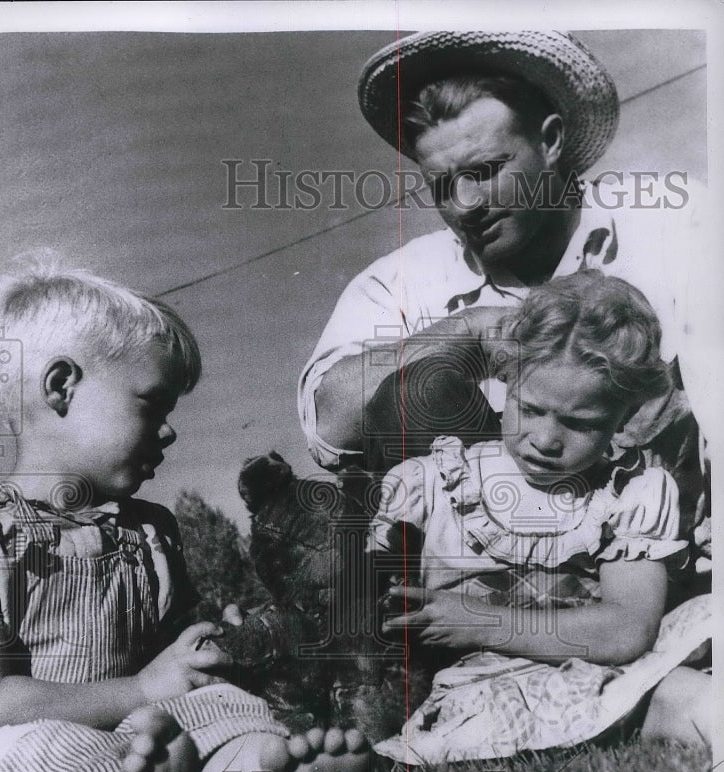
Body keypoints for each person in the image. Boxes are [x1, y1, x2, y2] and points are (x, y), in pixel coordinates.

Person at [0, 258, 367, 772]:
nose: (168, 429)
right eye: (152, 403)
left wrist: (207, 645)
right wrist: (139, 688)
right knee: (39, 749)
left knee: (219, 706)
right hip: (41, 727)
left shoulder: (149, 530)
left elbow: (171, 657)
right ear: (61, 386)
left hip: (150, 725)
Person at [298, 30, 706, 528]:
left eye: (488, 169)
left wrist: (674, 399)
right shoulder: (400, 283)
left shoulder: (677, 221)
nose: (467, 205)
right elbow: (331, 426)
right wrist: (474, 331)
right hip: (487, 580)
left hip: (678, 553)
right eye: (443, 186)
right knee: (413, 390)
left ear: (551, 141)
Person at [369, 272, 711, 764]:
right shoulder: (435, 483)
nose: (547, 439)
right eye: (530, 410)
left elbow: (627, 631)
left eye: (581, 423)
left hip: (610, 672)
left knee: (692, 699)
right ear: (505, 381)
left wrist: (483, 623)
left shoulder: (631, 491)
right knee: (453, 738)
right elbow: (373, 606)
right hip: (479, 687)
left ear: (624, 414)